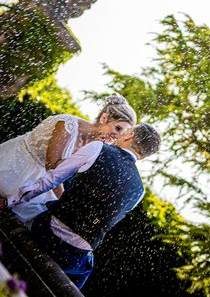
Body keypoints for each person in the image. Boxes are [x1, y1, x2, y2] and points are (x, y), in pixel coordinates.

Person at [0, 122, 161, 289]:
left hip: (47, 234)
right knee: (82, 274)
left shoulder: (99, 148)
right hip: (75, 258)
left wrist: (9, 201)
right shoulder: (139, 191)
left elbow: (51, 179)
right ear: (144, 155)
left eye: (126, 131)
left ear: (130, 136)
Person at [0, 94, 136, 226]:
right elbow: (52, 166)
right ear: (104, 118)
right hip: (16, 164)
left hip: (40, 181)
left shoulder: (95, 149)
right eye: (117, 128)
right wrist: (65, 204)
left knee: (47, 221)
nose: (116, 136)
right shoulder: (68, 125)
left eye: (121, 135)